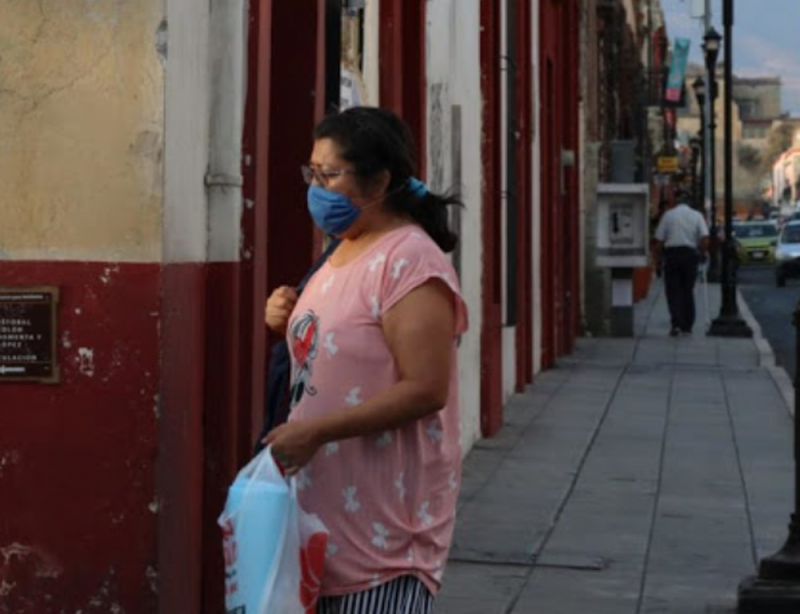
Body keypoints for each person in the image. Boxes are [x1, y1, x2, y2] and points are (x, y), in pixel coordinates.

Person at [263, 106, 468, 613]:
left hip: (383, 537)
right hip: (318, 524)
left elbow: (426, 387)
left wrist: (316, 432)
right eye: (311, 172)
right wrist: (283, 319)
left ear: (378, 182)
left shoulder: (411, 262)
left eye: (329, 174)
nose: (315, 188)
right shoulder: (339, 251)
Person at [654, 189, 709, 336]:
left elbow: (659, 241)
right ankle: (687, 324)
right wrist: (703, 253)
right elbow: (704, 238)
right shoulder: (697, 216)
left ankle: (676, 323)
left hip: (672, 255)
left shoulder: (668, 215)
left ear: (676, 200)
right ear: (689, 201)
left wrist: (658, 260)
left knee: (673, 291)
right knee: (687, 290)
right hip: (689, 255)